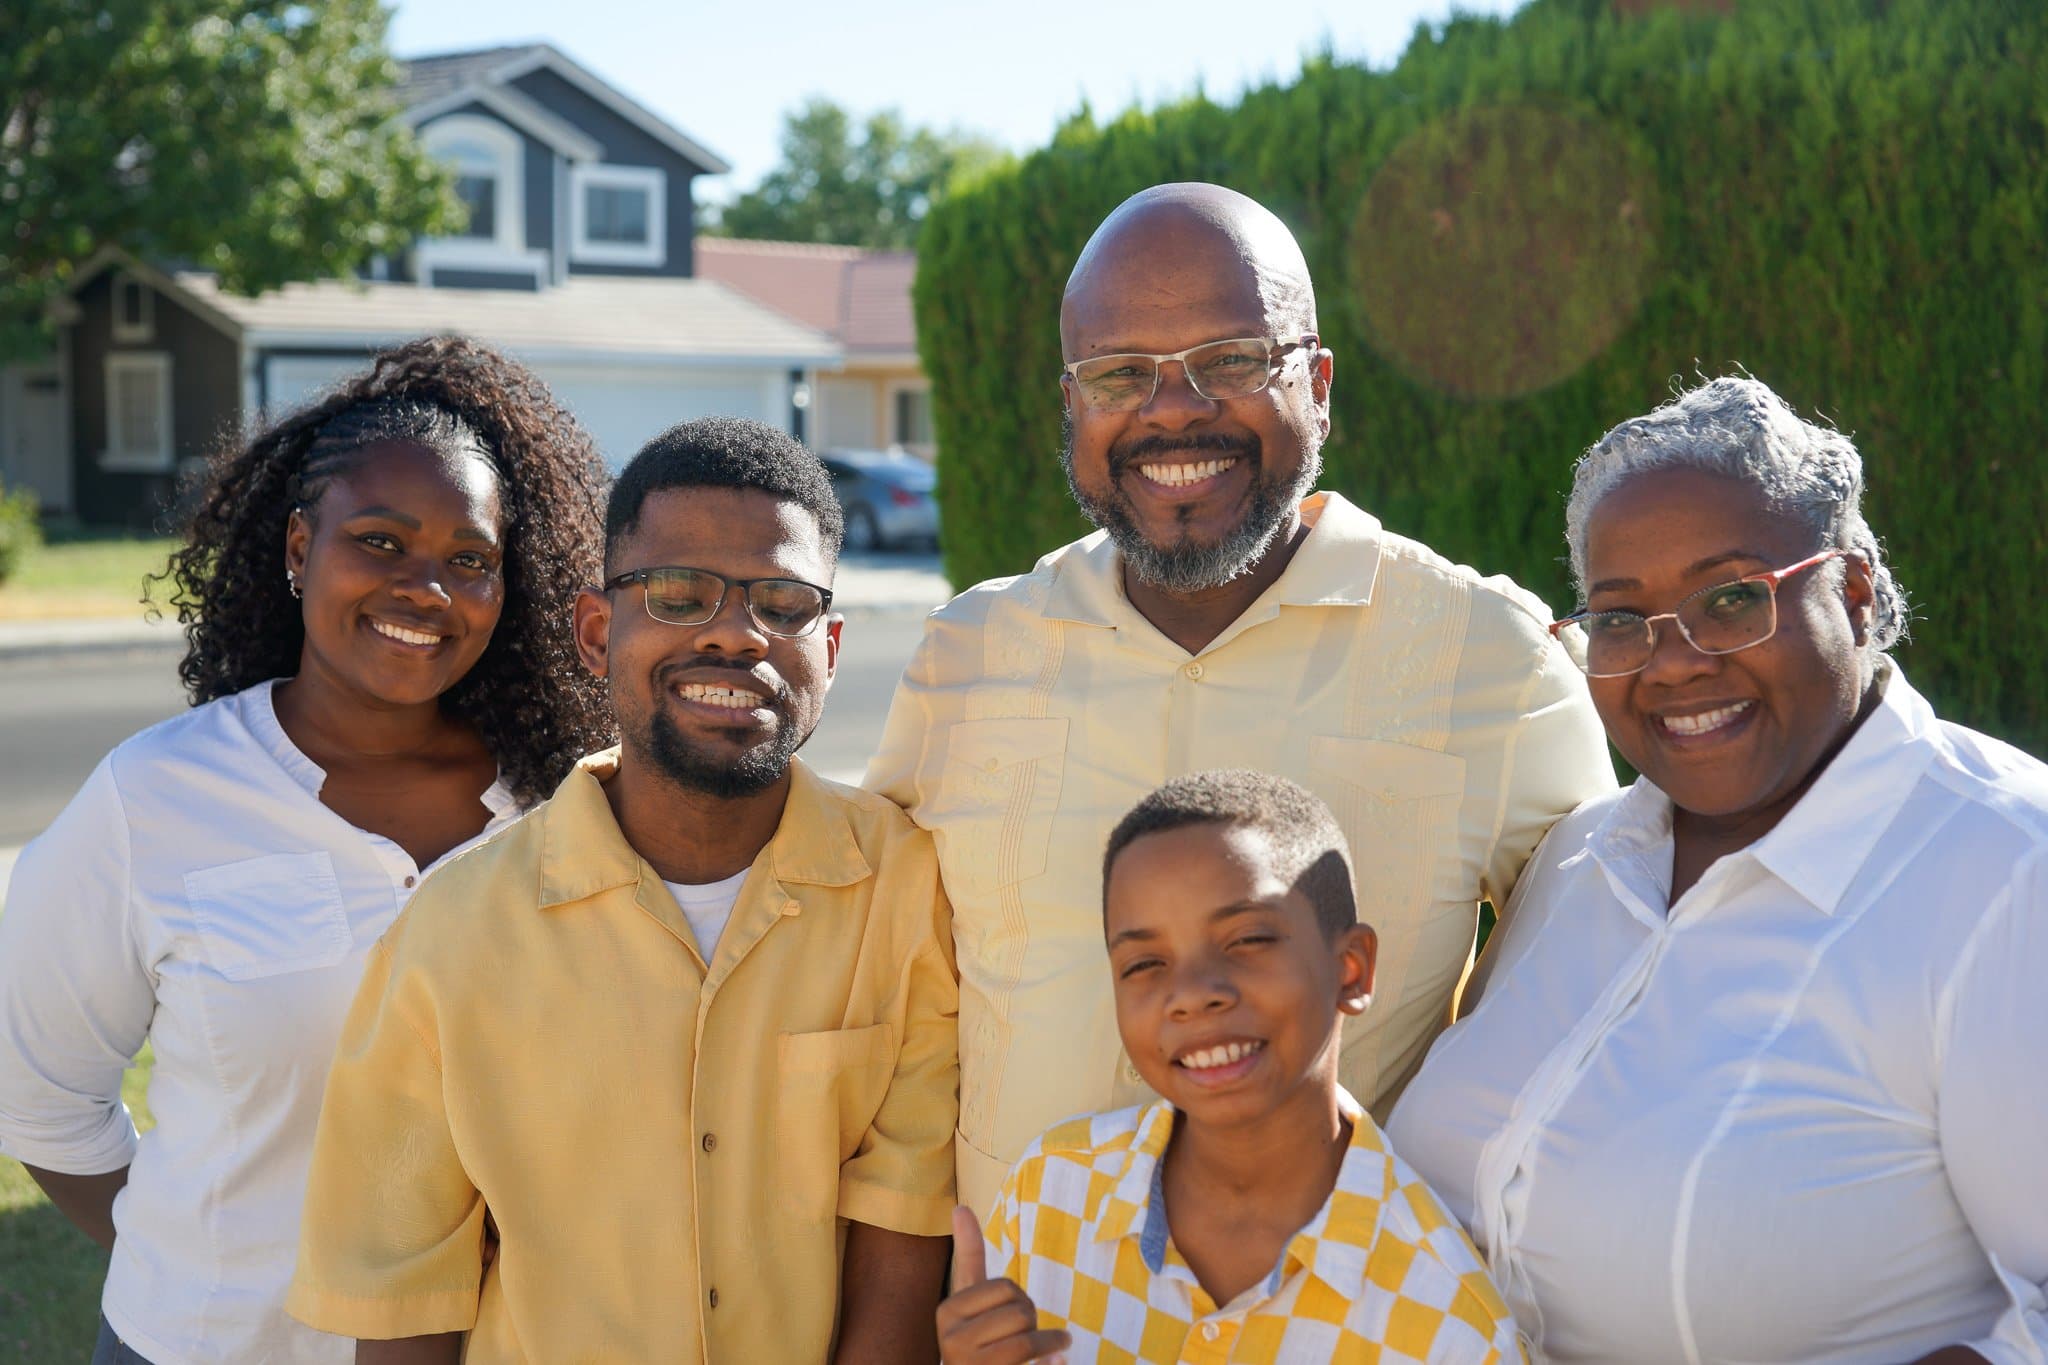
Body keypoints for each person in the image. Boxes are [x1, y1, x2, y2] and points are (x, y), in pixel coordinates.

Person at [866, 181, 1615, 1215]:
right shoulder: (969, 658)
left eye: (1229, 361)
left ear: (1315, 380)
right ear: (1070, 403)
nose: (1172, 408)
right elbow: (898, 1021)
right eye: (1120, 372)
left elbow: (1587, 1020)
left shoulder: (1489, 663)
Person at [1387, 376, 2048, 1364]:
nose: (1674, 662)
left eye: (1731, 598)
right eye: (1620, 619)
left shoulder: (2004, 873)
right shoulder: (1580, 858)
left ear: (1854, 593)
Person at [287, 417, 959, 1363]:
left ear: (832, 647)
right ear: (599, 631)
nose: (736, 632)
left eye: (784, 602)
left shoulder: (901, 884)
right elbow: (405, 1299)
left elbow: (902, 1235)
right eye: (680, 595)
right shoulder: (454, 929)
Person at [0, 335, 612, 1364]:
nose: (427, 588)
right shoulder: (157, 796)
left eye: (471, 560)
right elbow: (39, 1097)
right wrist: (182, 1255)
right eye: (379, 541)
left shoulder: (569, 808)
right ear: (297, 548)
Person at [939, 770, 1525, 1365]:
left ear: (1350, 969)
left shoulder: (1452, 1326)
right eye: (1144, 963)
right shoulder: (1051, 1194)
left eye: (1246, 940)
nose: (1192, 993)